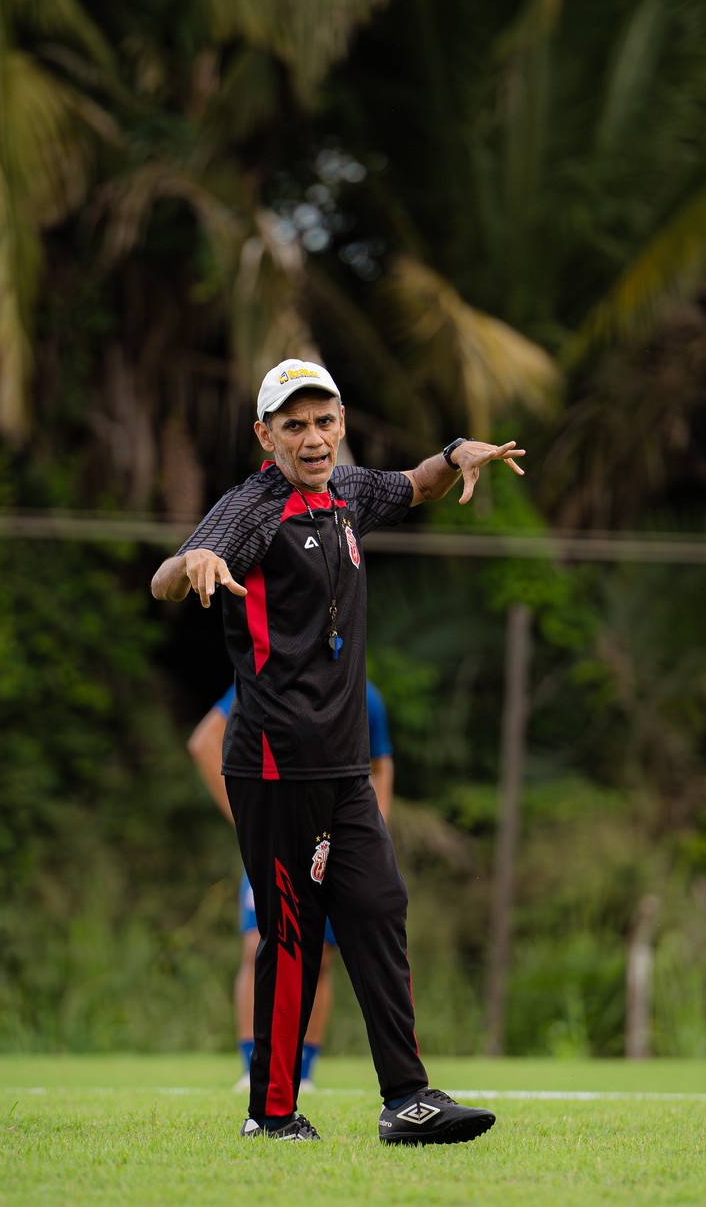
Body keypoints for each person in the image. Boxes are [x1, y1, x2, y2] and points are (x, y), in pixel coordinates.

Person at [151, 356, 525, 1145]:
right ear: (267, 435)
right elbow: (164, 579)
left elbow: (416, 482)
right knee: (290, 935)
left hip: (345, 764)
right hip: (274, 764)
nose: (313, 437)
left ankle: (407, 1099)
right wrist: (195, 564)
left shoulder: (348, 493)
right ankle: (274, 1113)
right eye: (294, 425)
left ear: (341, 422)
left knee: (380, 906)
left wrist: (457, 452)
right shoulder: (250, 509)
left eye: (324, 421)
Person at [188, 679, 394, 1091]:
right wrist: (250, 821)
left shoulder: (362, 693)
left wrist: (375, 837)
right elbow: (204, 741)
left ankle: (304, 1072)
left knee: (322, 955)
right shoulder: (271, 677)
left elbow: (381, 766)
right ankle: (254, 1069)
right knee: (260, 945)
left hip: (335, 841)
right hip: (279, 834)